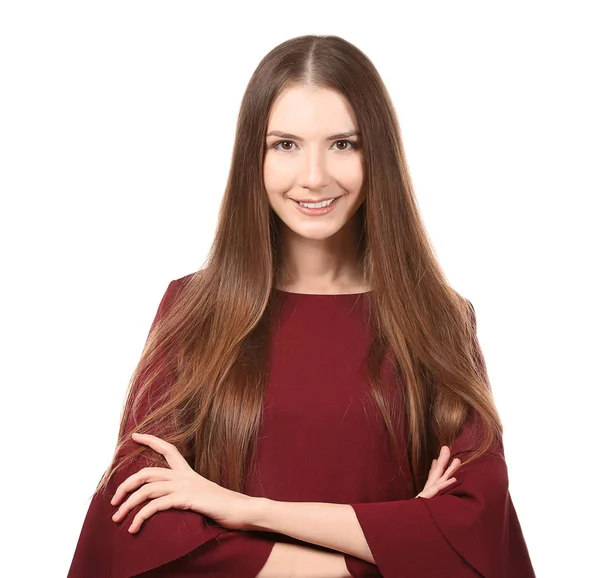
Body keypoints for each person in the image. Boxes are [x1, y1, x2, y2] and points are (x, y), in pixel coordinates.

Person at [67, 34, 536, 577]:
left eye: (343, 144)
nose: (314, 176)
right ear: (254, 158)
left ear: (376, 154)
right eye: (285, 144)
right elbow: (137, 517)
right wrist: (380, 547)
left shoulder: (439, 318)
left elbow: (471, 529)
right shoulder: (192, 310)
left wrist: (245, 510)